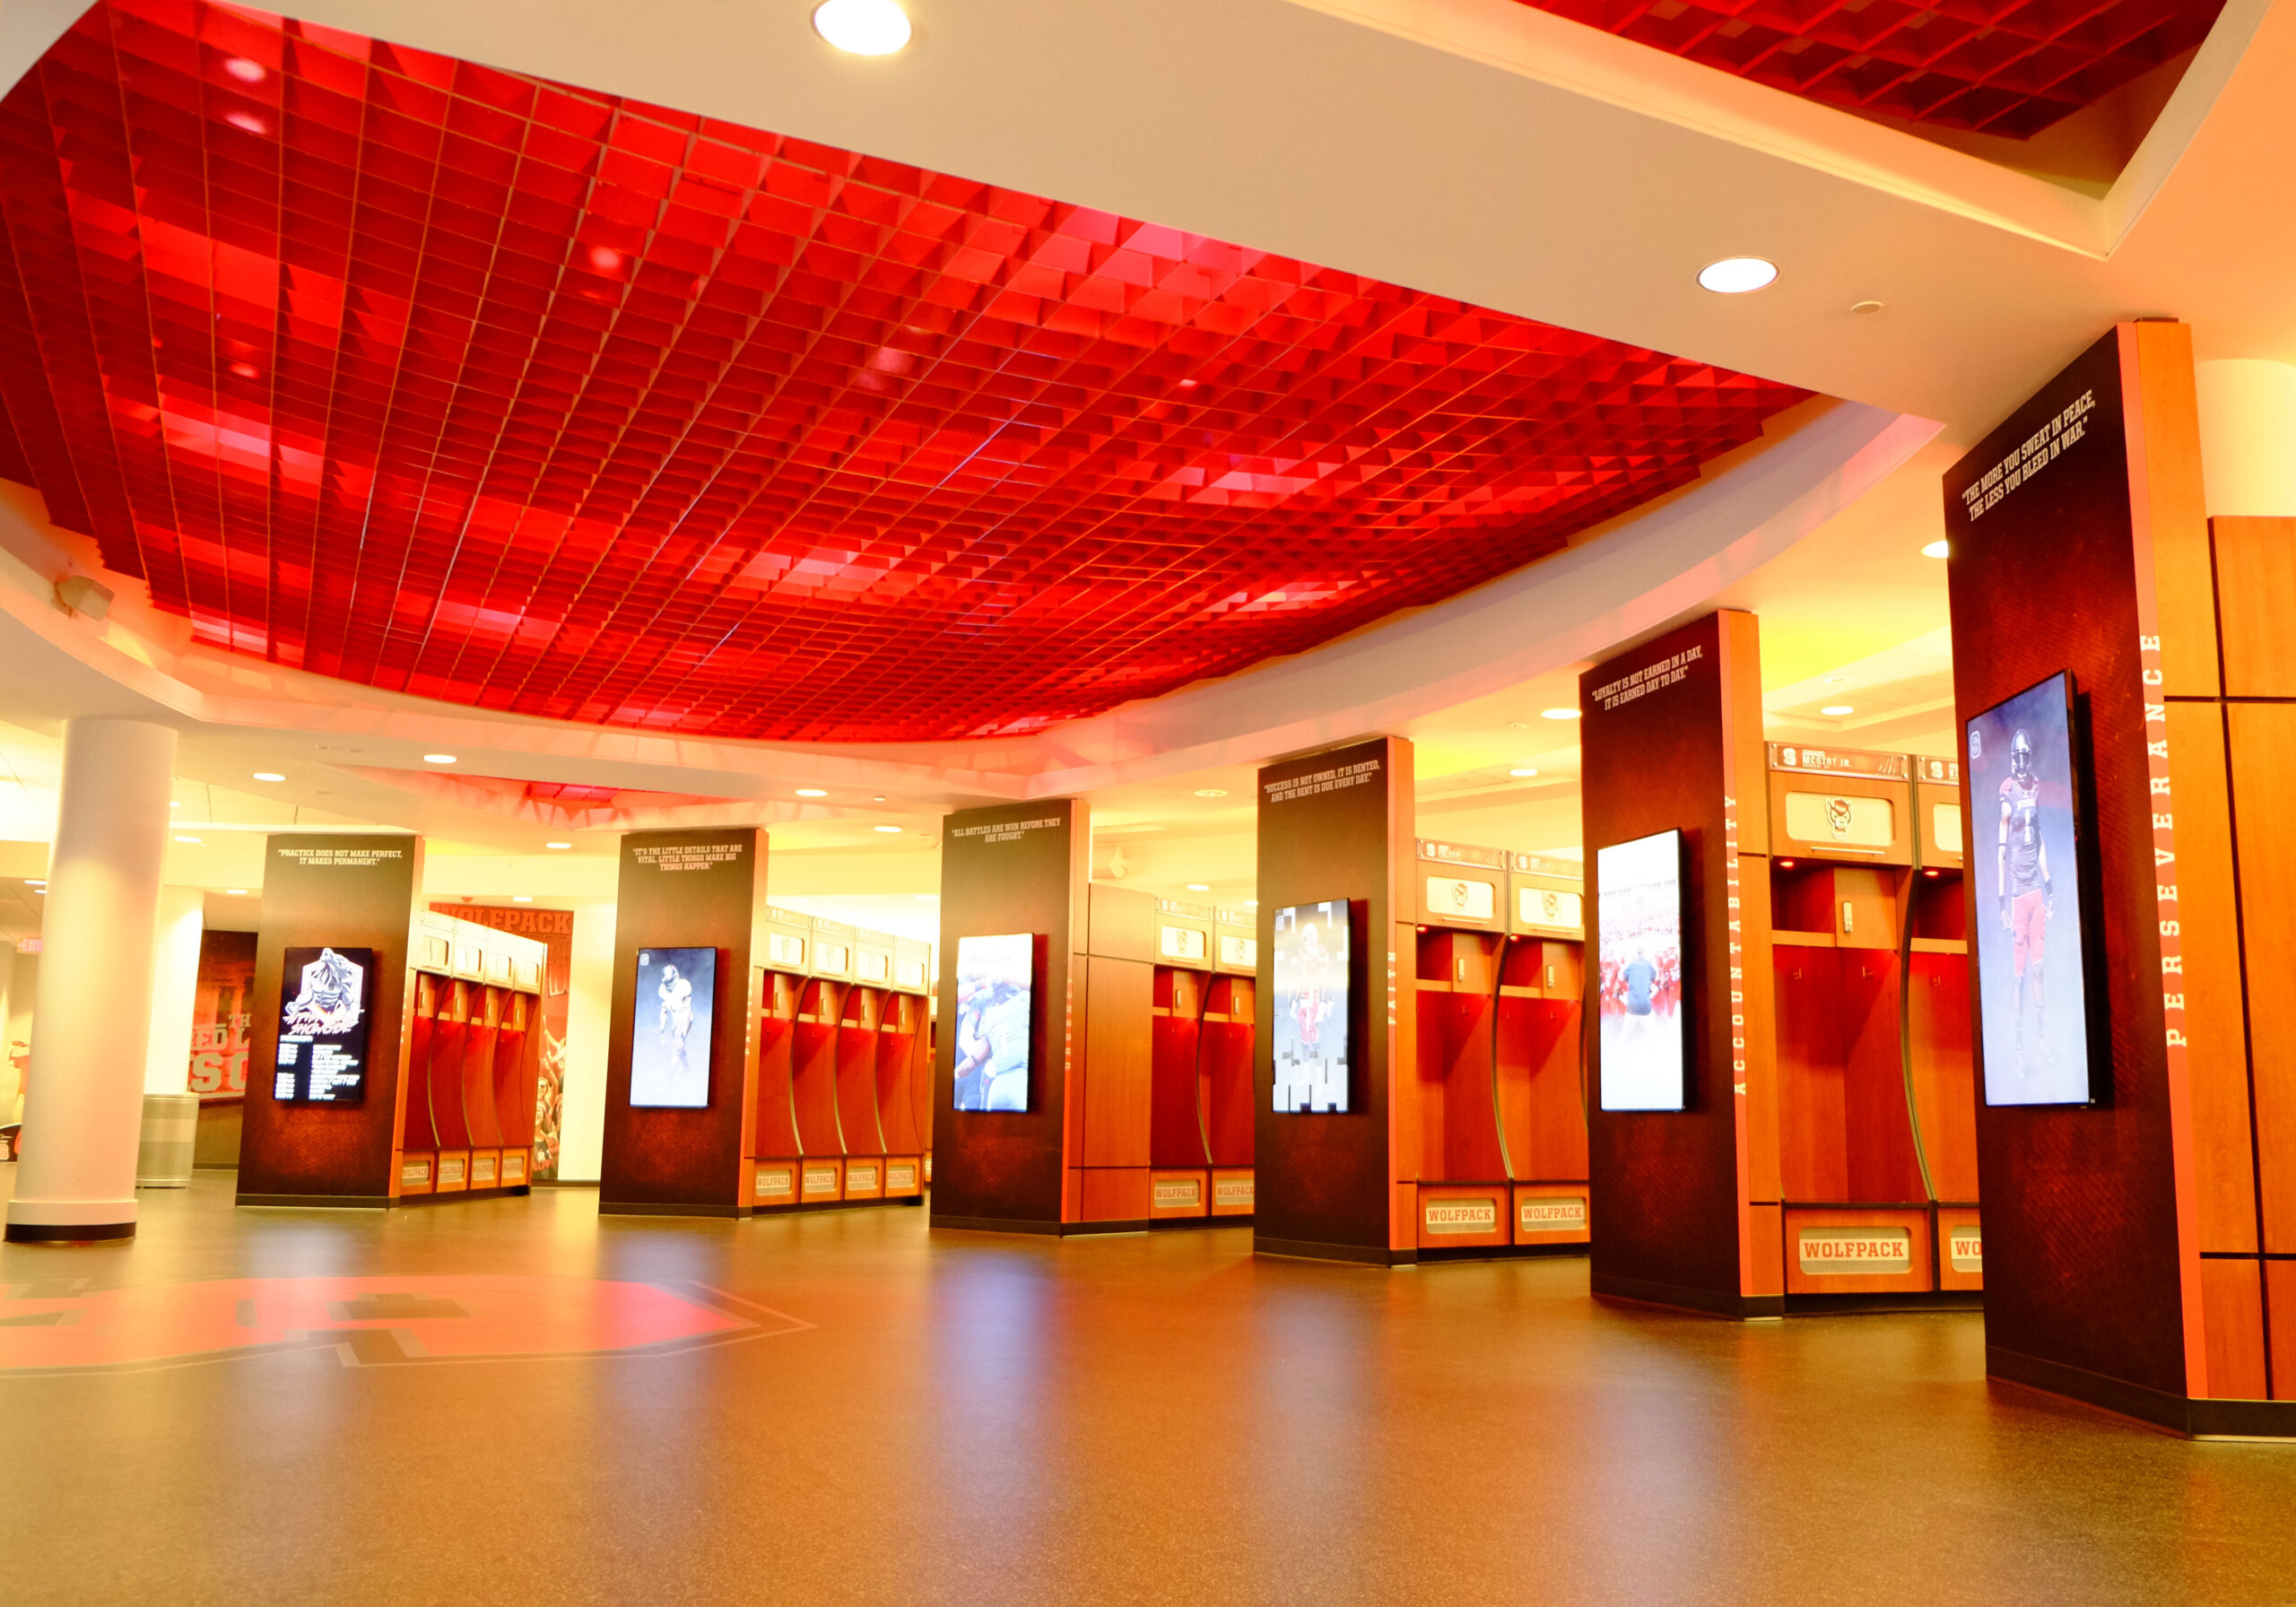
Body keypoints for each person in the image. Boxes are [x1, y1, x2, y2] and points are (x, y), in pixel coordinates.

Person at [1998, 728, 2054, 1071]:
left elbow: (2041, 840)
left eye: (2024, 755)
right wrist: (2001, 900)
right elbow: (2001, 849)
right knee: (2018, 974)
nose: (2021, 762)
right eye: (2016, 756)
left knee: (2039, 971)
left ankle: (2039, 1040)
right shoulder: (2007, 791)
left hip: (2035, 890)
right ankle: (2019, 1047)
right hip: (2018, 895)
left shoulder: (2036, 787)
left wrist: (2052, 886)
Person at [657, 961, 695, 1074]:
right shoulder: (663, 990)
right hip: (675, 1021)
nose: (668, 983)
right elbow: (663, 1011)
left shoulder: (683, 986)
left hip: (684, 1019)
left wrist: (683, 1035)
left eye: (670, 980)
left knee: (676, 1050)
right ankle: (687, 1068)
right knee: (679, 1048)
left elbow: (687, 1011)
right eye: (666, 981)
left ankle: (668, 1083)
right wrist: (662, 1031)